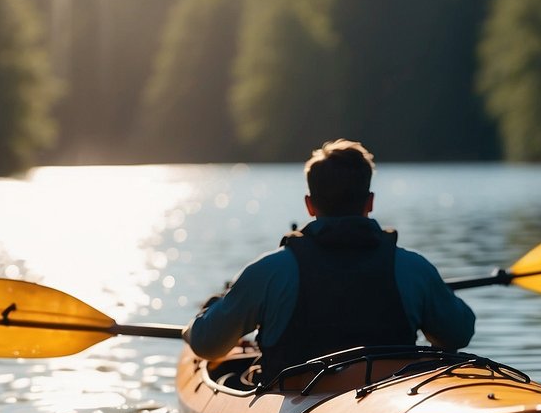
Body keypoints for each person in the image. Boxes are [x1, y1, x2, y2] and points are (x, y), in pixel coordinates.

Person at [183, 139, 475, 381]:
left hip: (296, 400)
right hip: (387, 401)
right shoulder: (413, 268)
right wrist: (431, 295)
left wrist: (200, 320)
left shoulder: (270, 271)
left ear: (309, 205)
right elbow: (459, 333)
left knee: (231, 379)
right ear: (370, 202)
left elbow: (207, 344)